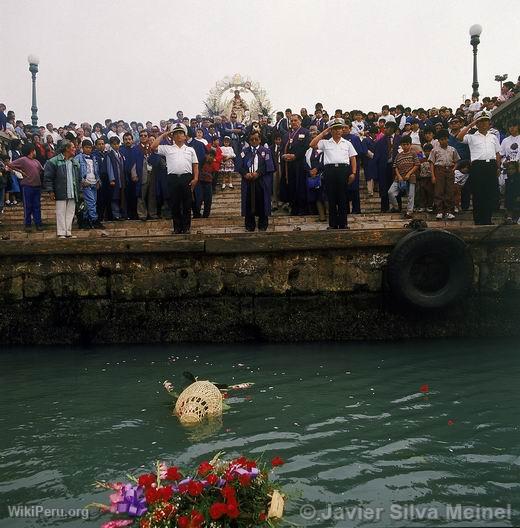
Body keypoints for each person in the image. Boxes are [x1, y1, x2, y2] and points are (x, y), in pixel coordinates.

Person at [150, 123, 198, 234]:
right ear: (172, 136)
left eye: (181, 133)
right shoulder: (167, 149)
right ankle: (177, 228)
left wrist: (195, 178)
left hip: (186, 178)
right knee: (175, 204)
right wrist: (164, 134)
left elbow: (195, 165)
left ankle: (186, 228)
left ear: (185, 136)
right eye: (175, 133)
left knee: (187, 204)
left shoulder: (190, 150)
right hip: (172, 179)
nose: (178, 135)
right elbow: (153, 147)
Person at [309, 118, 357, 230]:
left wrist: (353, 173)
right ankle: (333, 224)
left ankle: (343, 224)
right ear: (331, 130)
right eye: (335, 129)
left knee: (342, 198)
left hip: (343, 171)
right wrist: (324, 133)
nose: (338, 131)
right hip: (330, 171)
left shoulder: (347, 143)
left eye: (340, 128)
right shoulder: (325, 143)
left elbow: (353, 158)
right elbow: (312, 144)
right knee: (331, 198)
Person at [457, 111, 501, 225]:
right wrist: (471, 125)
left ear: (489, 123)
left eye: (486, 121)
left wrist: (498, 167)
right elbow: (459, 137)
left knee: (489, 193)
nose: (483, 123)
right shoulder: (472, 137)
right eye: (480, 121)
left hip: (491, 165)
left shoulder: (493, 137)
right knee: (478, 194)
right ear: (477, 123)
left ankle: (488, 219)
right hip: (478, 167)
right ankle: (479, 220)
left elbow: (497, 153)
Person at [43, 140, 82, 239]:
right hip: (60, 191)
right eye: (73, 147)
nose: (74, 149)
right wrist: (50, 191)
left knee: (71, 212)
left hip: (72, 191)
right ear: (67, 149)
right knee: (61, 212)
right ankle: (61, 232)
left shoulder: (75, 162)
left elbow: (79, 178)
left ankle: (68, 231)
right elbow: (48, 178)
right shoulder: (53, 161)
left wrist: (79, 190)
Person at [237, 131, 274, 231]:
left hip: (261, 181)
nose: (254, 141)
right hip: (248, 180)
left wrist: (258, 173)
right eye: (251, 139)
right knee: (248, 202)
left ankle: (263, 223)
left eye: (256, 139)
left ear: (260, 140)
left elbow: (268, 165)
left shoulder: (265, 151)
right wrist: (245, 174)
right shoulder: (244, 151)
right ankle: (249, 224)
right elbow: (239, 165)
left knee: (262, 201)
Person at [7, 143, 45, 231]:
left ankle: (38, 223)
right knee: (28, 206)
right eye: (34, 150)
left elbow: (42, 170)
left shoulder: (36, 161)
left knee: (37, 206)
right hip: (27, 186)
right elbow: (10, 164)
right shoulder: (23, 159)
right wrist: (21, 171)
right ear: (31, 151)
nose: (35, 152)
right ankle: (27, 225)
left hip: (37, 186)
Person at [282, 114, 310, 216]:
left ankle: (302, 208)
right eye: (291, 121)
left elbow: (306, 147)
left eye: (295, 120)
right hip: (289, 165)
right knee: (291, 186)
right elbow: (282, 148)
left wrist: (295, 156)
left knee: (300, 185)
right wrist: (284, 156)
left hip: (300, 164)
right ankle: (293, 207)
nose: (293, 122)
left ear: (300, 121)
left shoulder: (305, 132)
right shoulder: (287, 135)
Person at [429, 129, 460, 220]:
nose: (443, 141)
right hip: (439, 170)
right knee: (439, 190)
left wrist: (454, 168)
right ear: (438, 140)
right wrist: (433, 176)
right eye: (441, 139)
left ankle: (448, 211)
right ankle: (439, 211)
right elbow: (431, 163)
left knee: (449, 190)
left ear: (448, 139)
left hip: (449, 170)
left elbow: (457, 160)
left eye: (445, 139)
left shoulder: (452, 149)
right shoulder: (435, 150)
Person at [388, 135, 419, 218]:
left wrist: (409, 174)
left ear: (410, 144)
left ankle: (409, 212)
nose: (405, 146)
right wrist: (399, 176)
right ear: (401, 145)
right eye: (403, 144)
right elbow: (395, 166)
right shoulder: (399, 155)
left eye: (407, 144)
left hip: (411, 177)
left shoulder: (413, 153)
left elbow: (417, 165)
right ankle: (396, 207)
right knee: (390, 192)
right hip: (399, 178)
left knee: (410, 195)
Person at [75, 139, 103, 229]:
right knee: (91, 202)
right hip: (85, 183)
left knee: (91, 203)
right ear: (82, 148)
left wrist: (98, 180)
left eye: (90, 148)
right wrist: (82, 181)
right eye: (87, 147)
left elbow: (96, 171)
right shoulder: (78, 158)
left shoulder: (93, 158)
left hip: (94, 182)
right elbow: (76, 172)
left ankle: (86, 220)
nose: (89, 149)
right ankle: (95, 220)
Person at [374, 121, 401, 212]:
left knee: (396, 187)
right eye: (384, 128)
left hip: (396, 168)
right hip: (384, 167)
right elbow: (376, 157)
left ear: (392, 128)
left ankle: (398, 207)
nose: (385, 129)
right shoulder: (380, 141)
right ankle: (384, 208)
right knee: (384, 188)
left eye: (387, 127)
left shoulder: (400, 139)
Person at [131, 129, 158, 221]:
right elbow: (133, 163)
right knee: (141, 195)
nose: (143, 137)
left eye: (145, 135)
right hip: (142, 174)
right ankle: (142, 214)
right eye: (141, 135)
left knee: (152, 195)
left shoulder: (152, 147)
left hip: (152, 174)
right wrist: (134, 174)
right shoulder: (135, 148)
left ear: (148, 137)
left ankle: (152, 214)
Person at [499, 120, 520, 223]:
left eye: (514, 126)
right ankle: (509, 215)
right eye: (510, 126)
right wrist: (505, 163)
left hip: (519, 168)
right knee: (510, 193)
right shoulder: (505, 141)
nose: (512, 128)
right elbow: (501, 155)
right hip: (509, 170)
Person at [106, 136, 127, 220]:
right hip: (115, 179)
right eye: (114, 144)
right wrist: (112, 179)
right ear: (111, 145)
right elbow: (109, 168)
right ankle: (116, 214)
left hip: (121, 179)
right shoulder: (109, 155)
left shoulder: (121, 154)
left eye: (117, 144)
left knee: (121, 196)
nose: (116, 146)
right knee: (114, 197)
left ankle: (123, 214)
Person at [415, 143, 434, 212]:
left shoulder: (433, 160)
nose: (427, 153)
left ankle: (430, 206)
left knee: (430, 192)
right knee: (422, 193)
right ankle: (422, 206)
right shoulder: (421, 160)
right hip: (422, 178)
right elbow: (418, 168)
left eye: (429, 151)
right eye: (426, 151)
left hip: (430, 179)